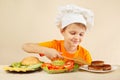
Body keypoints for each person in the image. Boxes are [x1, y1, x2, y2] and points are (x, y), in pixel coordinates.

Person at [22, 4, 94, 65]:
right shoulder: (54, 45)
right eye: (73, 33)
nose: (77, 37)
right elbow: (25, 46)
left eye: (81, 34)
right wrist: (46, 50)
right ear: (62, 31)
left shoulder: (85, 54)